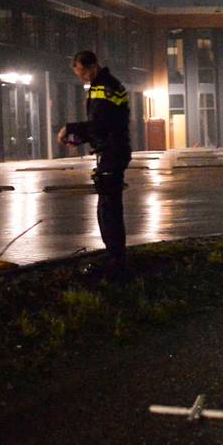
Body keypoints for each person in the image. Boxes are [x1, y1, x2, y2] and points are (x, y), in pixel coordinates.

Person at [58, 50, 132, 280]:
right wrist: (81, 138)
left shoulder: (102, 88)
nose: (80, 76)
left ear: (91, 67)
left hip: (111, 152)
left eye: (80, 71)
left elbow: (101, 123)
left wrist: (71, 129)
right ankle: (115, 254)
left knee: (108, 206)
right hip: (113, 149)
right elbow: (107, 125)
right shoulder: (109, 84)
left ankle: (115, 258)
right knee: (108, 204)